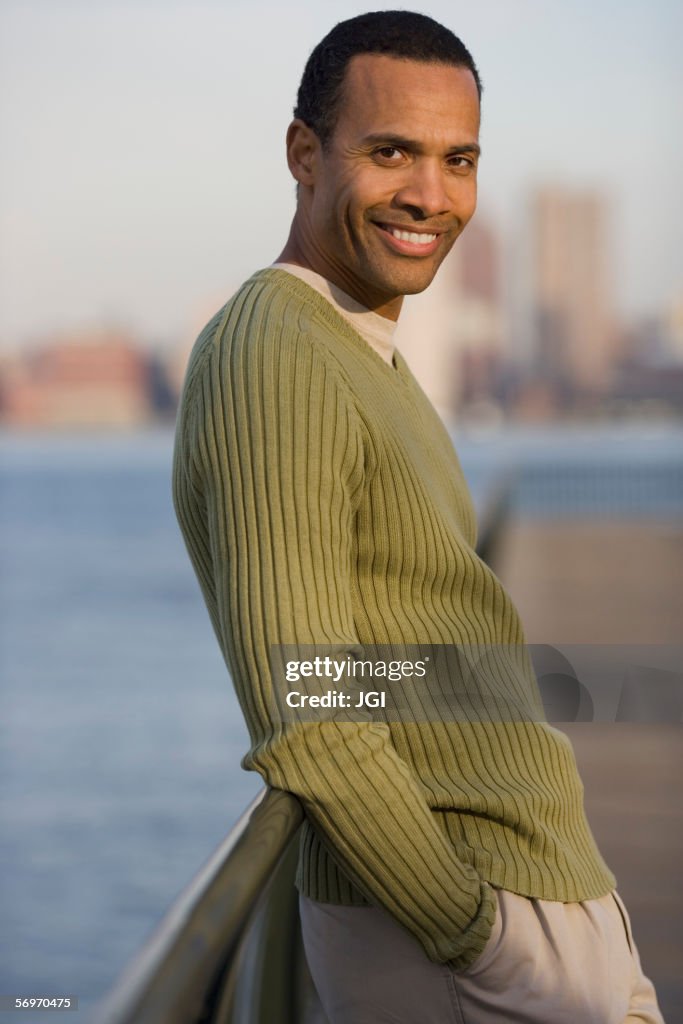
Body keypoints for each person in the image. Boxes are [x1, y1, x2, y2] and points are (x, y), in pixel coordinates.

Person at [171, 11, 664, 1023]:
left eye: (458, 159)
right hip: (462, 947)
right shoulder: (277, 347)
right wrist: (469, 929)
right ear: (303, 154)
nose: (430, 196)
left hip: (538, 906)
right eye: (389, 151)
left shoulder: (361, 353)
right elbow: (308, 713)